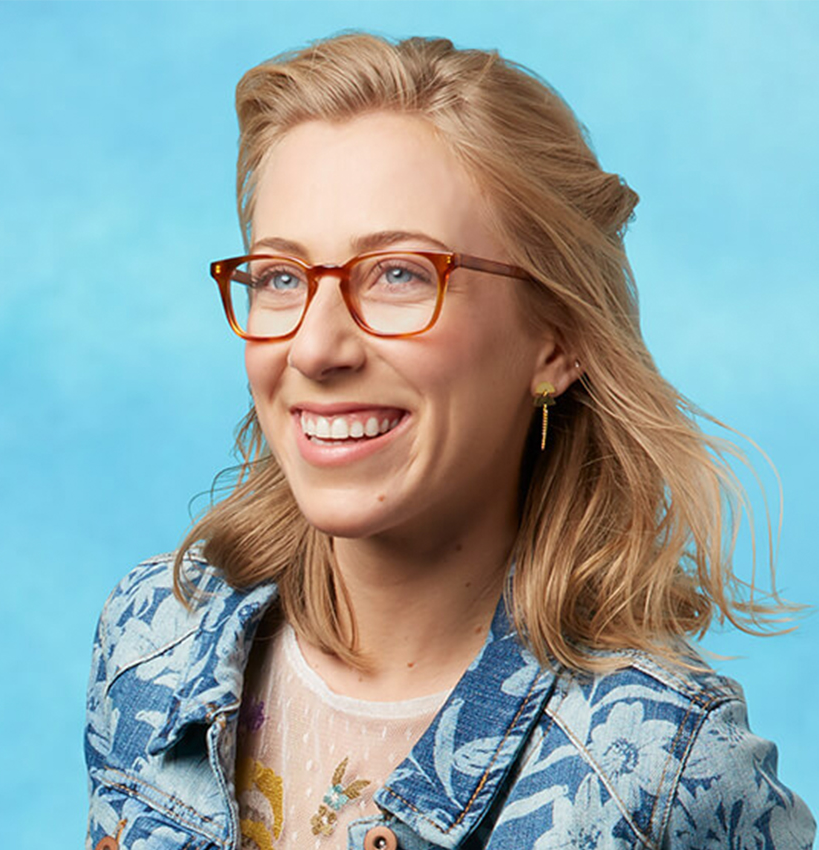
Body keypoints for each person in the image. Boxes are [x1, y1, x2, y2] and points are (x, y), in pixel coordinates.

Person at [84, 33, 815, 850]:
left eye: (398, 273)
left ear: (557, 338)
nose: (316, 349)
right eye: (280, 278)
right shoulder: (152, 642)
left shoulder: (657, 770)